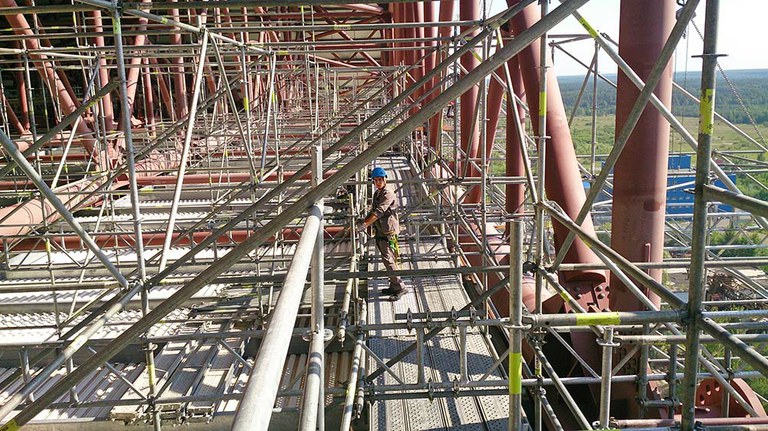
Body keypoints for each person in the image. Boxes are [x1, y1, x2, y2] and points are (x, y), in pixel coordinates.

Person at [357, 166, 407, 300]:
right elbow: (373, 210)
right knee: (387, 260)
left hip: (388, 231)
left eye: (380, 179)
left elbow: (379, 212)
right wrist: (365, 220)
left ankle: (400, 287)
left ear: (385, 179)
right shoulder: (377, 193)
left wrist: (365, 224)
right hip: (380, 229)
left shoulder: (388, 193)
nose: (378, 182)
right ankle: (394, 285)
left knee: (389, 260)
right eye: (376, 180)